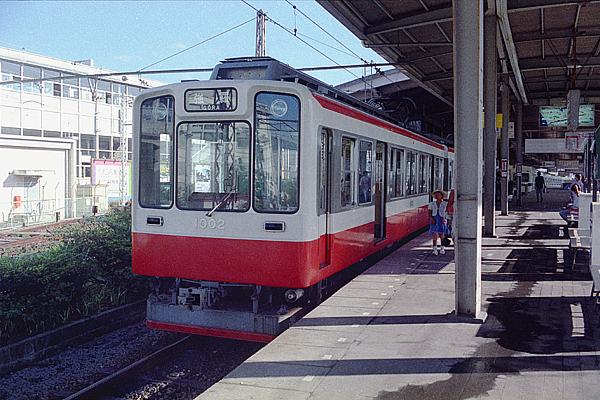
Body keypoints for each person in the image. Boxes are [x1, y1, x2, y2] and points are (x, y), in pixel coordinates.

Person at [428, 190, 448, 255]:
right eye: (436, 195)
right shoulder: (431, 204)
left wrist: (445, 218)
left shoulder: (445, 203)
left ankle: (442, 248)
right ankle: (435, 249)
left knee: (442, 235)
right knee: (435, 235)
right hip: (435, 219)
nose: (437, 196)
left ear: (441, 196)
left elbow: (447, 212)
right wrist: (431, 218)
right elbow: (429, 212)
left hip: (442, 219)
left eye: (438, 195)